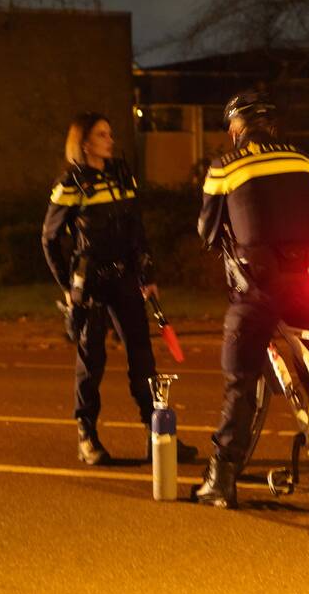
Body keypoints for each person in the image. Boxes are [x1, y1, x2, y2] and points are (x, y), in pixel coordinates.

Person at [192, 90, 309, 508]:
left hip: (262, 285)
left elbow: (207, 231)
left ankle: (221, 477)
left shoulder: (225, 165)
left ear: (237, 128)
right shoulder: (303, 159)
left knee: (240, 378)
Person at [41, 112, 197, 466]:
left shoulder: (122, 178)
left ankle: (156, 435)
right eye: (102, 135)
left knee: (143, 358)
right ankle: (87, 436)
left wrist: (148, 274)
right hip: (91, 285)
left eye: (110, 134)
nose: (111, 140)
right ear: (84, 143)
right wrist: (68, 286)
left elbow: (136, 231)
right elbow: (49, 239)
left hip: (125, 279)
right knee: (91, 362)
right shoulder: (70, 184)